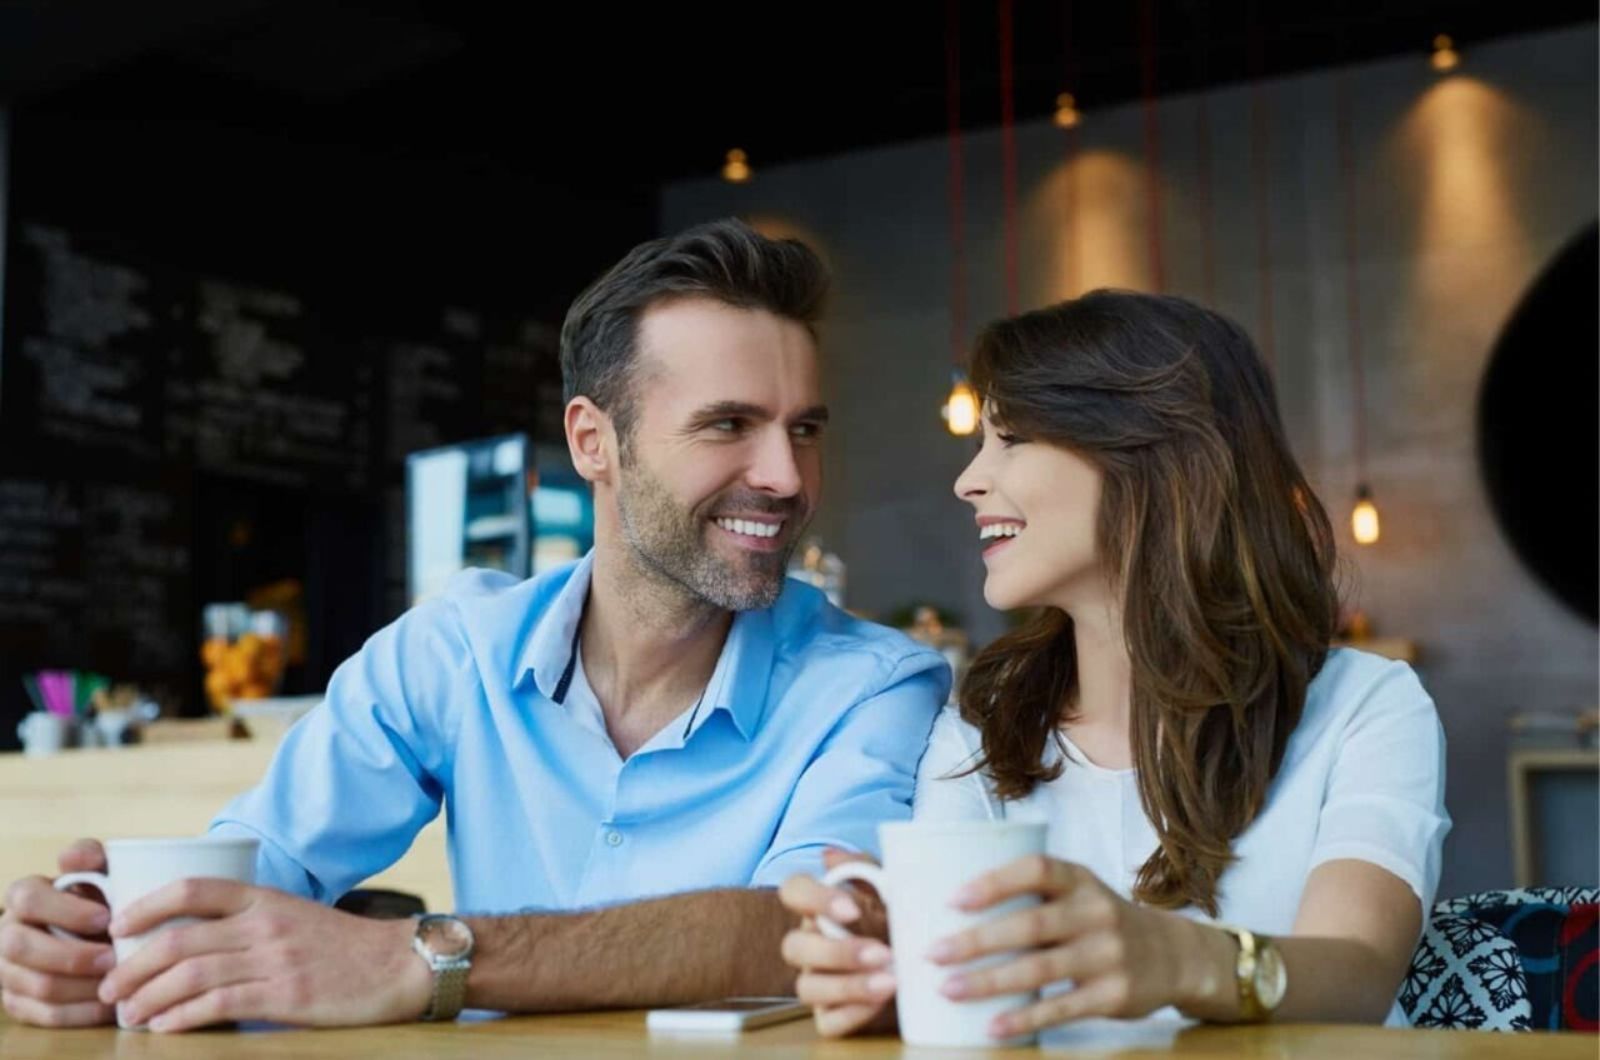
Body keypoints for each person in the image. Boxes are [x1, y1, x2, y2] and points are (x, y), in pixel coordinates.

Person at [0, 219, 948, 1031]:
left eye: (806, 429)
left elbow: (807, 929)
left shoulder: (877, 688)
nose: (786, 476)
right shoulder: (454, 650)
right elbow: (271, 861)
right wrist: (100, 945)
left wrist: (426, 959)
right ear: (593, 441)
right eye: (728, 424)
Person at [779, 290, 1448, 1040]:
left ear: (1152, 456)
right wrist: (890, 982)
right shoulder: (982, 729)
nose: (968, 481)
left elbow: (1357, 972)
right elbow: (976, 999)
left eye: (1012, 438)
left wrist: (1181, 960)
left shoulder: (1366, 706)